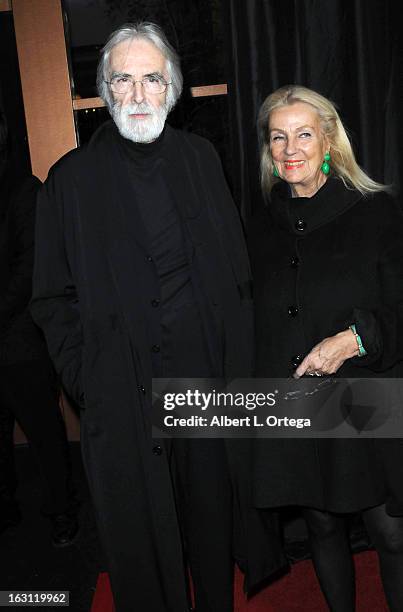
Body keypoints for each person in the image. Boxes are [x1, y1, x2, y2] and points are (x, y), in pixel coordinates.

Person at [30, 22, 256, 612]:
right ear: (104, 91)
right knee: (143, 551)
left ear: (173, 89)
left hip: (204, 389)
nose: (136, 94)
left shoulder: (202, 160)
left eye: (151, 78)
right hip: (122, 396)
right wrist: (88, 381)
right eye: (122, 79)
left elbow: (235, 273)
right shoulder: (69, 182)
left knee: (212, 531)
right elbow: (51, 299)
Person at [248, 84, 403, 611]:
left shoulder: (375, 211)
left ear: (329, 142)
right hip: (297, 401)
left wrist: (355, 339)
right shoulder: (258, 225)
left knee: (391, 533)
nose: (291, 149)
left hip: (366, 397)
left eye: (304, 134)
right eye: (278, 137)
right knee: (321, 525)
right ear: (268, 150)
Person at [0, 110, 78, 546]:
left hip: (19, 341)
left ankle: (63, 510)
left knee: (45, 433)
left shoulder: (24, 190)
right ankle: (5, 507)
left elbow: (29, 268)